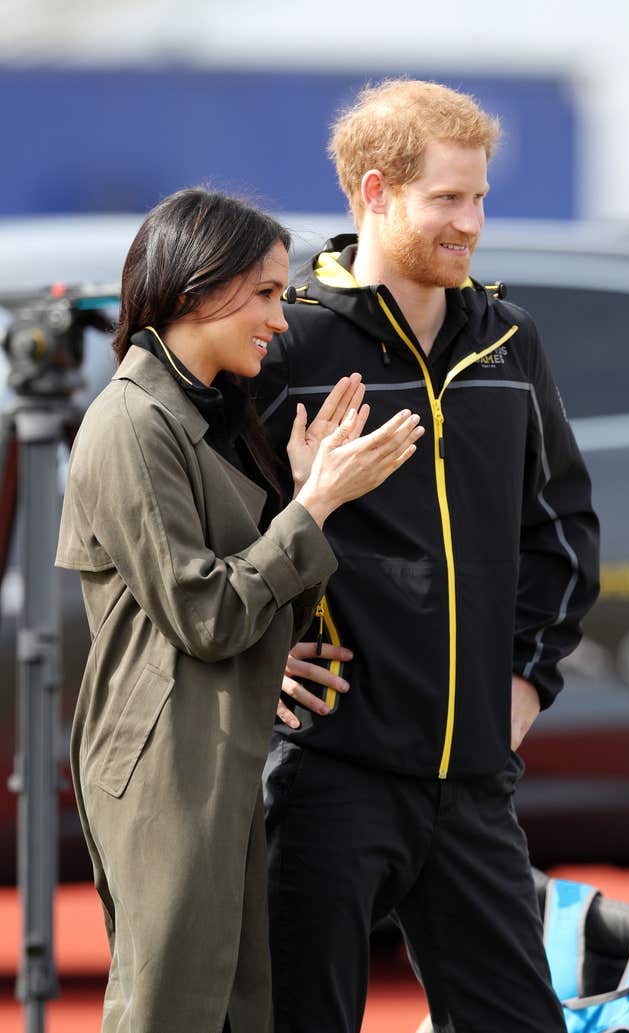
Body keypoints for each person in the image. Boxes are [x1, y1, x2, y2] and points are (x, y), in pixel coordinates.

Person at [256, 80, 600, 1033]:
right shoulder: (291, 341)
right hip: (329, 769)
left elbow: (563, 532)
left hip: (473, 781)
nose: (472, 223)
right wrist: (259, 655)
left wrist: (525, 685)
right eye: (448, 199)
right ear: (376, 192)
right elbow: (208, 540)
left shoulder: (508, 341)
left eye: (480, 197)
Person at [55, 187, 424, 1033]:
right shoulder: (131, 421)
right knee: (172, 1012)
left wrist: (298, 493)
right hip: (165, 770)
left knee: (235, 1010)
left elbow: (241, 610)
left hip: (214, 753)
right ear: (194, 288)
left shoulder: (200, 411)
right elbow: (209, 615)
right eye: (263, 293)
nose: (279, 318)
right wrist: (315, 503)